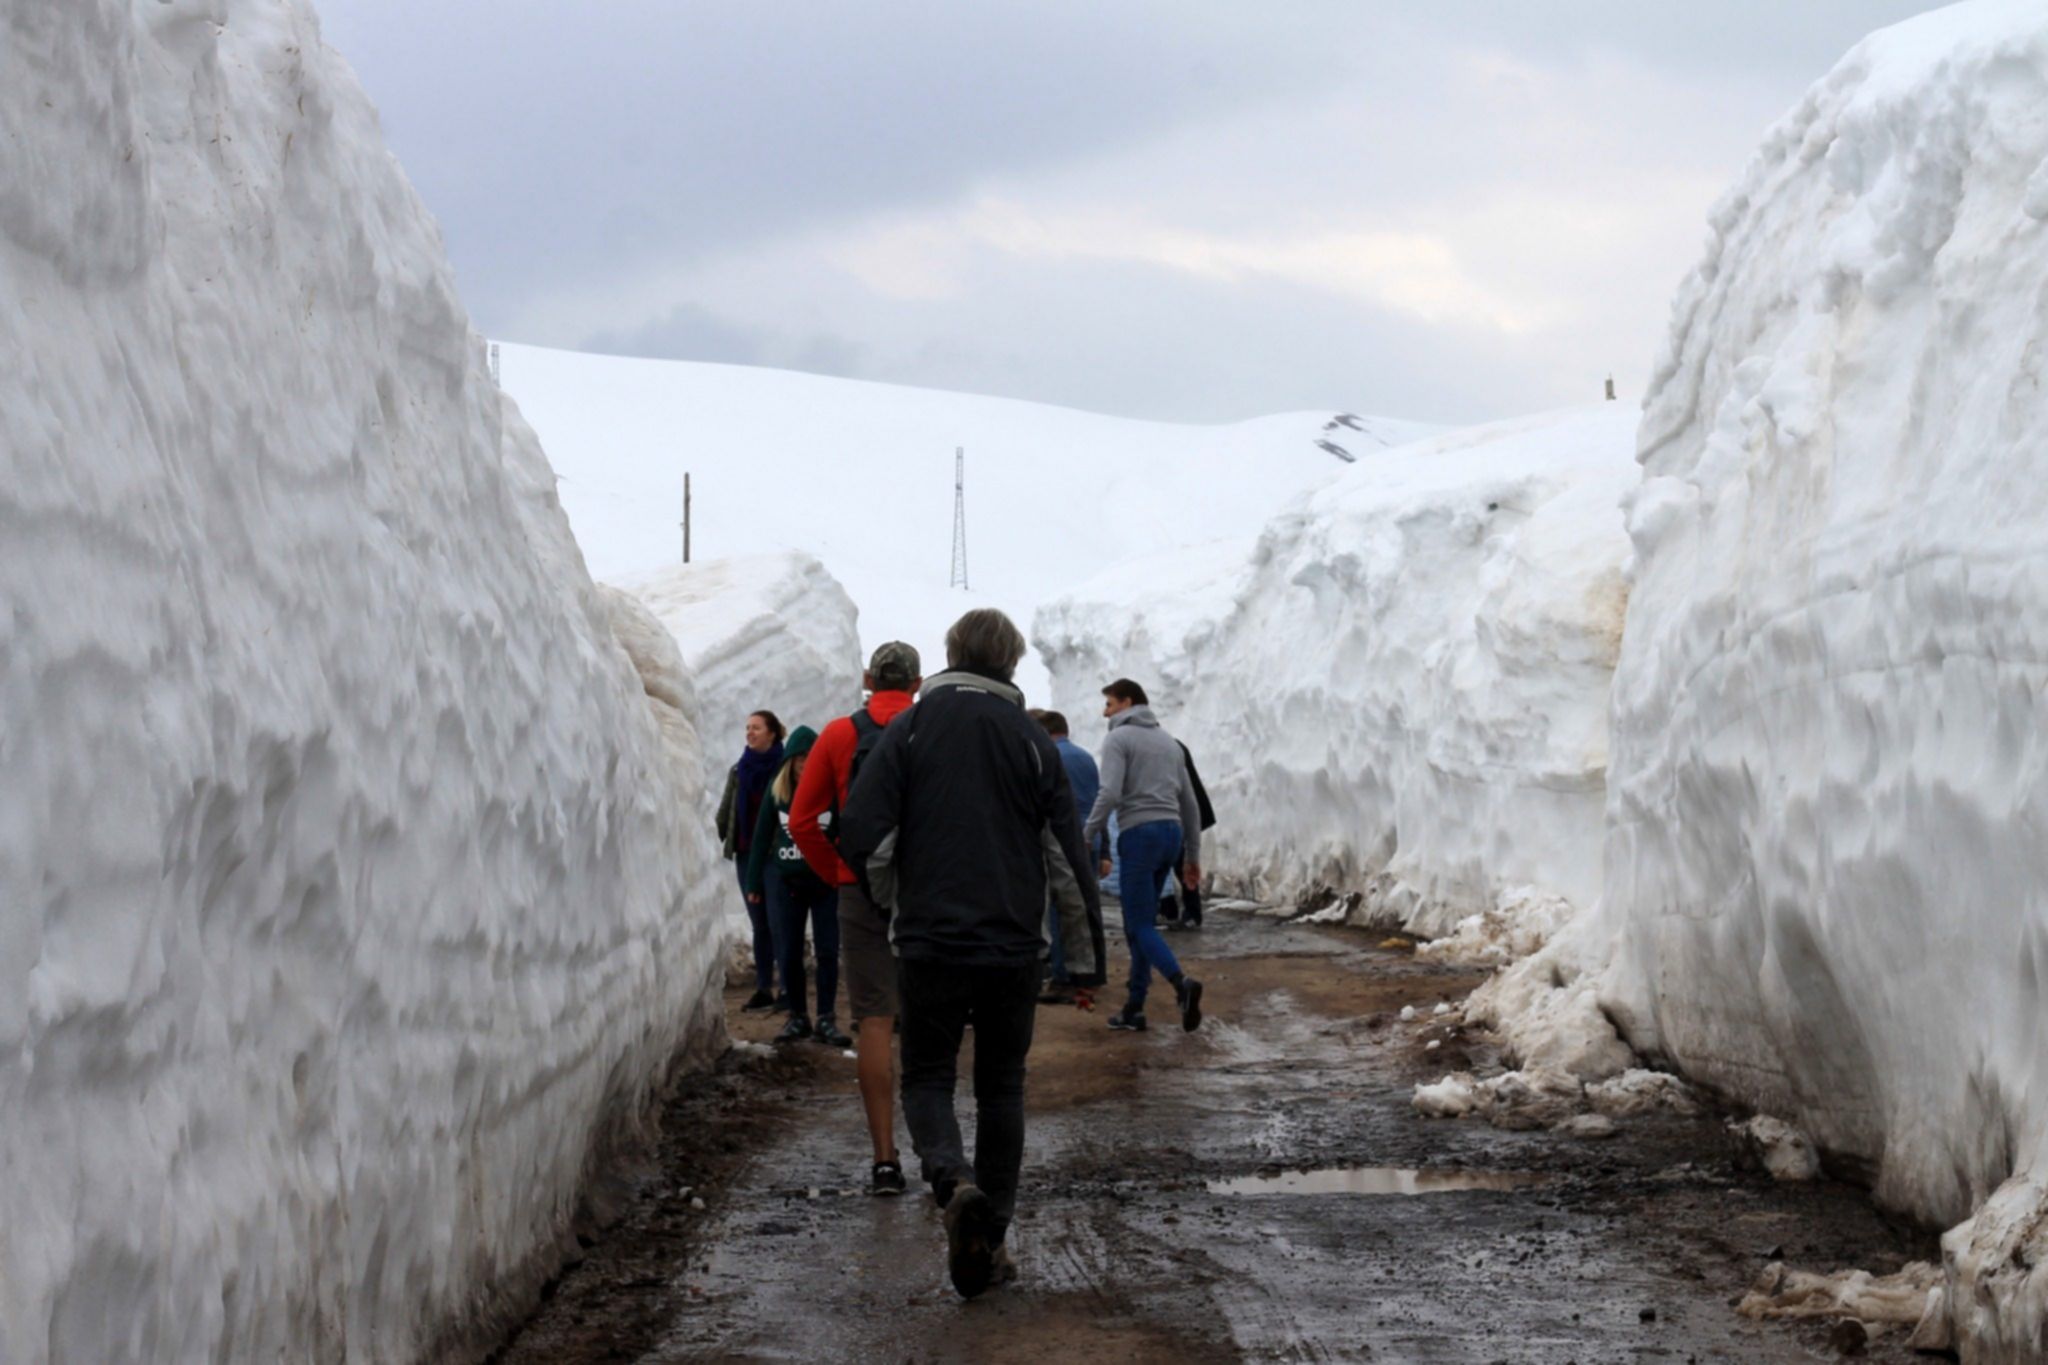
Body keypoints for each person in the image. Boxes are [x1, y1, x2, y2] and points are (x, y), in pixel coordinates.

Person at [839, 609, 1103, 1298]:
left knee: (928, 1076)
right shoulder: (1031, 739)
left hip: (929, 940)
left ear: (951, 653)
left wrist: (891, 901)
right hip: (1013, 944)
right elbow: (1067, 856)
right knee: (1001, 1086)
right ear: (1011, 663)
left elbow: (864, 830)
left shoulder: (910, 729)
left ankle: (953, 1181)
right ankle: (993, 1238)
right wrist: (1085, 960)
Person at [789, 642, 922, 1196]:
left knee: (874, 1020)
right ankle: (941, 1152)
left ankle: (885, 1159)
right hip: (927, 893)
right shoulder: (931, 728)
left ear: (869, 680)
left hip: (860, 891)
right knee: (929, 1019)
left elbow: (802, 821)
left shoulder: (839, 734)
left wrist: (839, 873)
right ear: (917, 684)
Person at [1082, 678, 1205, 1034]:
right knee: (1142, 922)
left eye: (1109, 704)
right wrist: (1192, 855)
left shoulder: (1119, 739)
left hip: (1139, 834)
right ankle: (1134, 1007)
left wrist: (1086, 835)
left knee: (1138, 925)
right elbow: (1190, 803)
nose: (1105, 712)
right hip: (1171, 834)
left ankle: (1181, 983)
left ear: (1128, 702)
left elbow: (1109, 793)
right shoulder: (1170, 743)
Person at [743, 726, 852, 1049]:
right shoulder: (778, 791)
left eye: (810, 757)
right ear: (790, 761)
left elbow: (846, 829)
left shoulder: (830, 789)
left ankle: (826, 1017)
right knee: (789, 950)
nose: (805, 763)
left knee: (827, 950)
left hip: (825, 881)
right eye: (800, 758)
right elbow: (761, 837)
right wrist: (753, 881)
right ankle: (797, 1016)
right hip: (787, 881)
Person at [715, 709, 785, 1012]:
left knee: (779, 920)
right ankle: (763, 988)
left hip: (774, 855)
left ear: (772, 733)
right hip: (746, 854)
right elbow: (726, 810)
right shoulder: (739, 770)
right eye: (747, 728)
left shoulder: (784, 769)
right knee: (760, 923)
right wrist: (715, 838)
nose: (750, 733)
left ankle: (787, 988)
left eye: (756, 728)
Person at [1031, 709, 1101, 1005]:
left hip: (1065, 837)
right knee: (1087, 906)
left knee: (1062, 908)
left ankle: (1063, 976)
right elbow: (1098, 798)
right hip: (1091, 835)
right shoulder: (1085, 757)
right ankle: (1090, 975)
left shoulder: (1049, 756)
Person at [1159, 739, 1216, 931]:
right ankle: (1171, 908)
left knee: (1179, 863)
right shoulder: (1170, 744)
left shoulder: (1167, 747)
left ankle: (1190, 912)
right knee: (1172, 862)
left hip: (1179, 812)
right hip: (1178, 812)